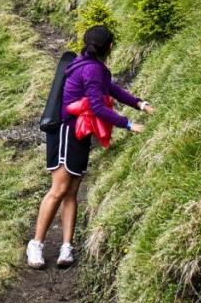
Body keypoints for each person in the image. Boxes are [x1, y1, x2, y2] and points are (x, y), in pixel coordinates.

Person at [26, 24, 154, 269]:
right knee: (59, 189)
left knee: (72, 190)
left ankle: (66, 247)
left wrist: (140, 104)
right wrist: (128, 124)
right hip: (66, 131)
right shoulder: (91, 69)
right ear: (110, 46)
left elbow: (112, 89)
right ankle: (36, 244)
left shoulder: (92, 66)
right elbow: (97, 106)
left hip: (79, 132)